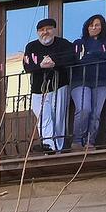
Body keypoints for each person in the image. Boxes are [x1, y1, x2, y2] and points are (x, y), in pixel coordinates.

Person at [23, 16, 74, 153]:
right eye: (41, 30)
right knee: (43, 116)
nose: (45, 32)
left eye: (48, 29)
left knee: (58, 118)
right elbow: (27, 66)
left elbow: (72, 59)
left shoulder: (63, 44)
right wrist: (40, 65)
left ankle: (57, 148)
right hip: (38, 89)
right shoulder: (31, 47)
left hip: (60, 86)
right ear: (38, 32)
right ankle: (49, 145)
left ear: (54, 30)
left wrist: (54, 63)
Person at [68, 14, 106, 151]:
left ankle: (90, 142)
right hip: (80, 81)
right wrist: (98, 55)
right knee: (84, 109)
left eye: (97, 25)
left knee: (96, 113)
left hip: (101, 81)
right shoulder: (79, 43)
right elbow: (76, 59)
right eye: (91, 25)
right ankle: (78, 141)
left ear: (102, 27)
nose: (94, 27)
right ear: (87, 27)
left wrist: (91, 54)